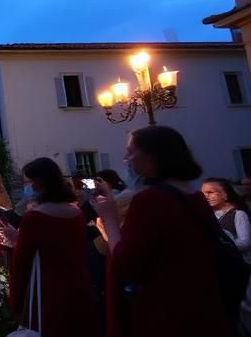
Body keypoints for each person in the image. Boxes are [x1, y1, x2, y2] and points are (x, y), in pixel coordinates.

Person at [93, 125, 231, 336]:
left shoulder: (150, 200)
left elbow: (125, 263)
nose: (126, 158)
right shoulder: (194, 196)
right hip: (203, 305)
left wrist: (109, 219)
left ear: (151, 156)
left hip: (164, 310)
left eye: (130, 152)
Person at [0, 157, 97, 336]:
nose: (27, 187)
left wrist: (16, 304)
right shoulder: (76, 212)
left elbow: (22, 264)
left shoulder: (35, 217)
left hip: (48, 292)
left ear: (38, 183)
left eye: (28, 182)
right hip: (79, 287)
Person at [202, 178, 251, 255]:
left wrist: (220, 245)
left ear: (225, 194)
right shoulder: (205, 215)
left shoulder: (238, 214)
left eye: (211, 192)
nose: (206, 196)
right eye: (203, 193)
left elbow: (246, 244)